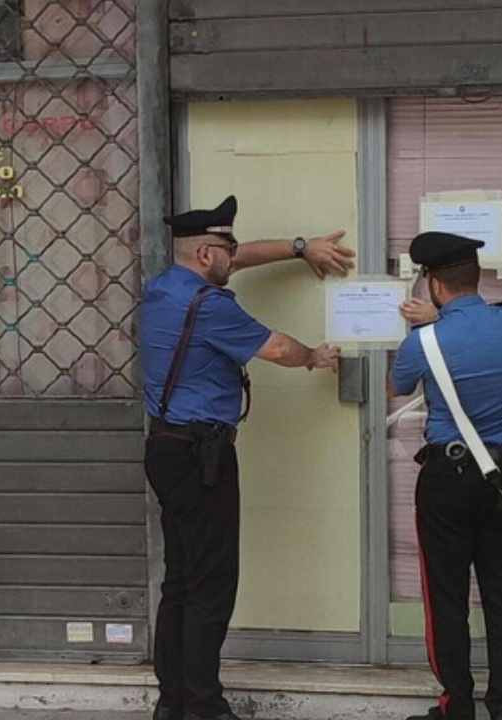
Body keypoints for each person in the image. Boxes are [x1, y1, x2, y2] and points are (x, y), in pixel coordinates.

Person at [139, 195, 355, 720]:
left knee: (180, 580)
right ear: (206, 254)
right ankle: (205, 705)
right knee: (211, 583)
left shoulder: (164, 288)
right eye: (227, 251)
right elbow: (277, 348)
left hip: (165, 447)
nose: (235, 258)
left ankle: (173, 701)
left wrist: (300, 247)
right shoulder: (211, 307)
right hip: (202, 456)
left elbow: (242, 256)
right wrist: (314, 356)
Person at [393, 232, 502, 720]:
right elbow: (480, 327)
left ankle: (456, 705)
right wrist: (443, 316)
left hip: (448, 476)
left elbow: (398, 387)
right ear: (475, 277)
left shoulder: (422, 341)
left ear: (434, 285)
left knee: (446, 597)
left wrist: (432, 323)